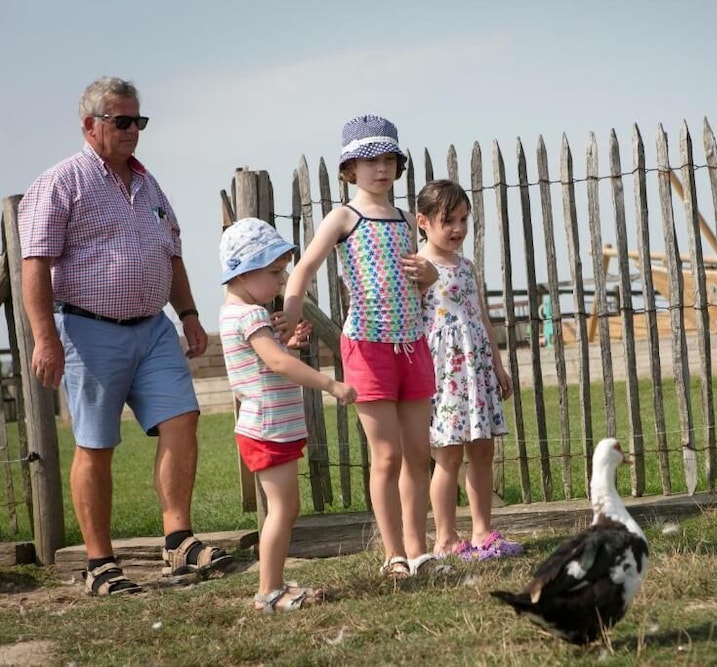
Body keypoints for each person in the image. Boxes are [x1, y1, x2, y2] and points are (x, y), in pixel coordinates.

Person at [17, 76, 232, 596]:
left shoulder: (147, 184)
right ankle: (99, 564)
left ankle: (178, 539)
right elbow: (35, 264)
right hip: (89, 329)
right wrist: (45, 339)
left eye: (139, 121)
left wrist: (188, 314)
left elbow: (171, 253)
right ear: (90, 125)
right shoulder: (61, 182)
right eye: (123, 121)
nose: (134, 130)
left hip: (153, 328)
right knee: (96, 443)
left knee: (182, 418)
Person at [282, 114, 440, 578]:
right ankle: (393, 555)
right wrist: (289, 316)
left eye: (389, 159)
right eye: (370, 161)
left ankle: (418, 550)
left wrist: (430, 275)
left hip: (412, 344)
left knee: (418, 454)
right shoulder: (344, 218)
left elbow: (423, 282)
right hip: (368, 346)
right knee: (387, 456)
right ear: (350, 169)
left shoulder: (409, 221)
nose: (381, 168)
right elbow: (304, 268)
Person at [219, 217, 357, 611]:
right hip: (268, 428)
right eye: (275, 273)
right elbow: (277, 364)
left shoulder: (234, 314)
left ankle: (274, 583)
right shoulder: (250, 316)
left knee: (285, 508)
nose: (282, 282)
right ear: (244, 272)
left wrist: (288, 342)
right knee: (282, 510)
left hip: (268, 426)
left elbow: (266, 361)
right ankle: (269, 591)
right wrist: (330, 384)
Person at [416, 180, 522, 561]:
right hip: (444, 375)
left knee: (483, 450)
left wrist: (498, 365)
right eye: (449, 221)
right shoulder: (418, 267)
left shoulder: (466, 266)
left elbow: (481, 318)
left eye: (463, 220)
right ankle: (445, 538)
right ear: (423, 221)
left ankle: (482, 532)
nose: (458, 229)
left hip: (477, 372)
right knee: (448, 456)